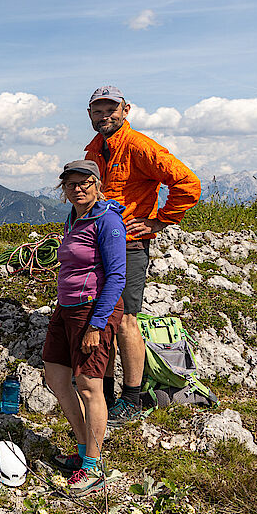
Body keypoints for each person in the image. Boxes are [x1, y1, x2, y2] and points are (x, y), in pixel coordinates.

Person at [84, 86, 201, 426]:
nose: (104, 115)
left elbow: (187, 183)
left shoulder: (140, 146)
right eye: (97, 110)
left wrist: (159, 220)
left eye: (110, 109)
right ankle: (104, 392)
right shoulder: (95, 148)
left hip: (129, 246)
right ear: (90, 114)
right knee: (102, 318)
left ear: (126, 109)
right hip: (98, 242)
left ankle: (132, 398)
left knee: (124, 320)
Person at [42, 159, 127, 496]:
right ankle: (81, 449)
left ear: (97, 183)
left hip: (92, 310)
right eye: (70, 184)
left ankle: (93, 466)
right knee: (55, 375)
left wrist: (97, 323)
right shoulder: (75, 217)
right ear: (63, 189)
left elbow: (117, 275)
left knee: (89, 386)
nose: (77, 189)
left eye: (84, 183)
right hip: (67, 308)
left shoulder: (107, 220)